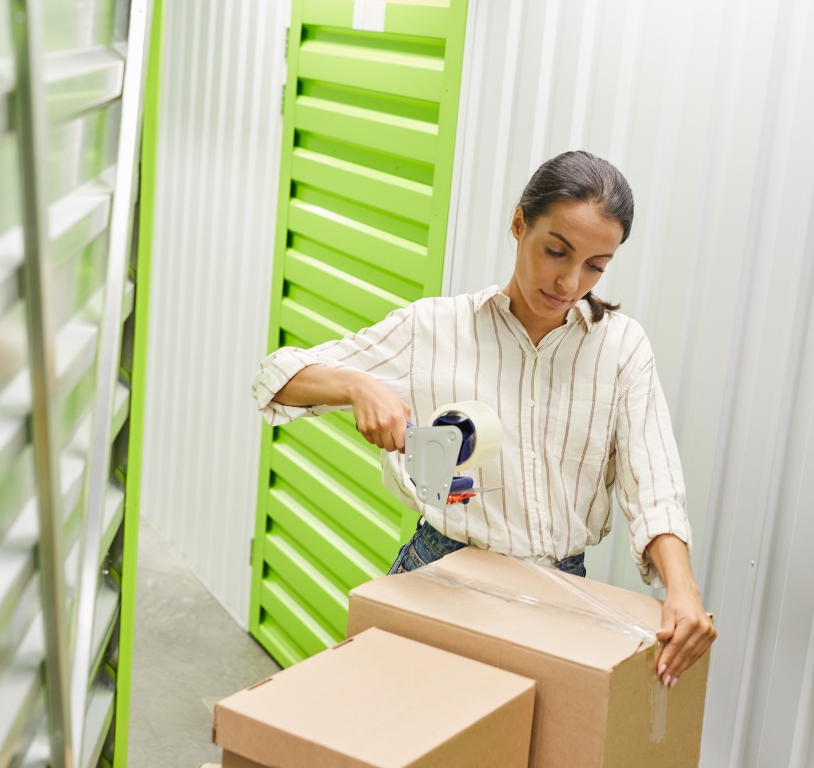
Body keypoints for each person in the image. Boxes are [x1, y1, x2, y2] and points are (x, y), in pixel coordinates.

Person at [251, 150, 716, 687]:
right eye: (556, 251)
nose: (569, 282)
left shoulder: (621, 349)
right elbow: (276, 376)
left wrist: (682, 591)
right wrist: (358, 385)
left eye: (595, 266)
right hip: (442, 573)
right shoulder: (435, 329)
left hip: (559, 594)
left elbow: (652, 481)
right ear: (519, 223)